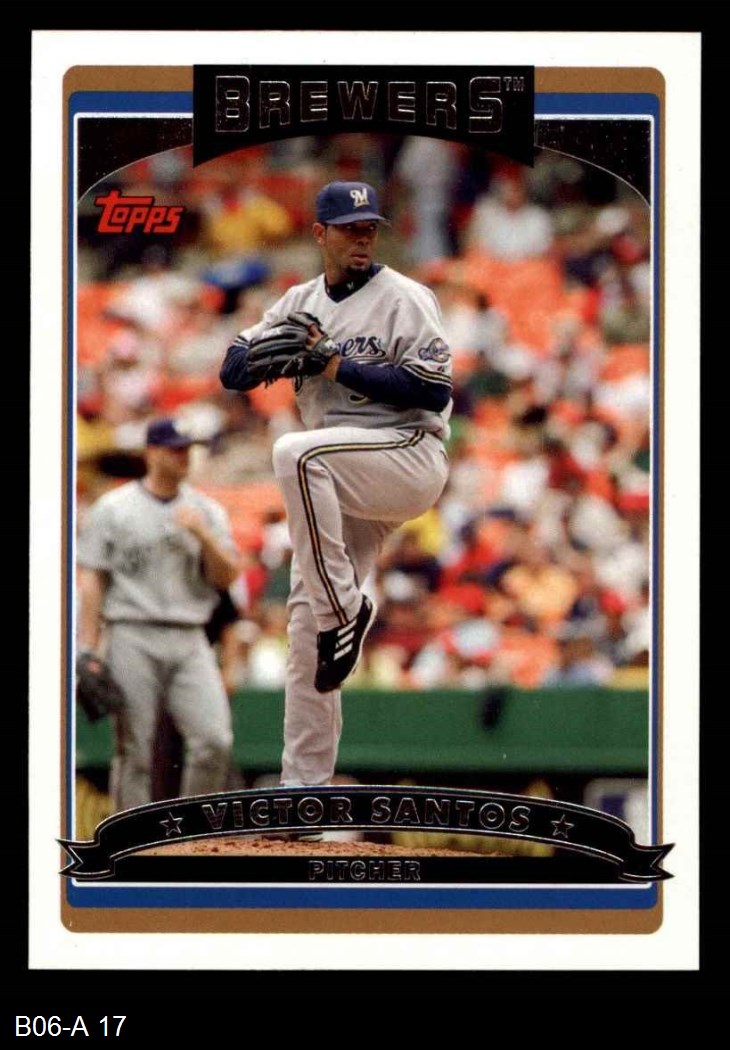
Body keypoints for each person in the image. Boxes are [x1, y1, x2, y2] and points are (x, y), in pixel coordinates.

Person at [220, 180, 452, 789]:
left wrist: (333, 364)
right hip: (339, 476)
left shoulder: (405, 297)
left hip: (406, 453)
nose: (362, 238)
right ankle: (305, 791)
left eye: (369, 227)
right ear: (320, 233)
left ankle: (346, 609)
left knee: (294, 453)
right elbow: (232, 368)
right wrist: (277, 353)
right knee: (306, 636)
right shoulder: (299, 302)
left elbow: (434, 390)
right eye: (350, 229)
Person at [76, 417, 241, 811]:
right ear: (151, 452)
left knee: (214, 739)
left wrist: (203, 535)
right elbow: (93, 579)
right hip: (132, 631)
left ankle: (193, 831)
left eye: (187, 449)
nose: (184, 456)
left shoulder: (206, 510)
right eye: (175, 449)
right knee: (134, 748)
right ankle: (129, 835)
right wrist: (89, 646)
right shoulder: (113, 508)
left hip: (190, 634)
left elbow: (227, 577)